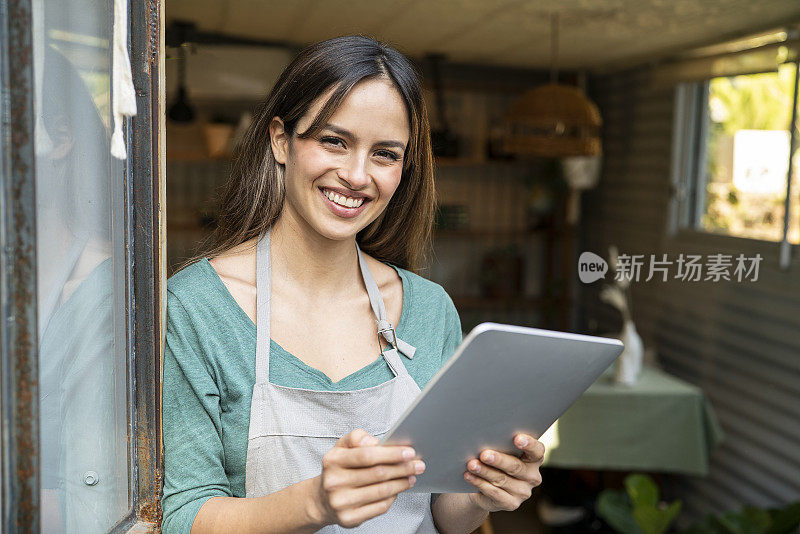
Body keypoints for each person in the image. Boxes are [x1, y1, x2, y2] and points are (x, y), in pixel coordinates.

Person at [161, 35, 544, 534]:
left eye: (385, 154)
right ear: (281, 139)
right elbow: (180, 515)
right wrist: (314, 503)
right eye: (334, 141)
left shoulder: (429, 311)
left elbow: (445, 514)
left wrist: (483, 492)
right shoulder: (195, 308)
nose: (356, 175)